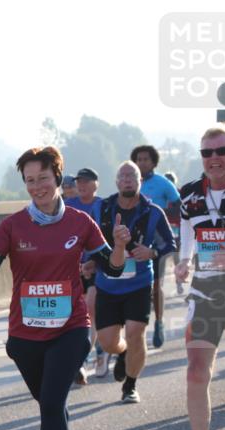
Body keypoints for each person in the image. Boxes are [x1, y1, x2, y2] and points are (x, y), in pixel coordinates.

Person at [0, 146, 129, 430]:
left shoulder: (79, 223)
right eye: (29, 180)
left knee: (53, 403)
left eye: (43, 178)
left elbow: (113, 268)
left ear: (58, 177)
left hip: (71, 327)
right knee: (49, 405)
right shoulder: (12, 226)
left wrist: (120, 245)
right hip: (24, 334)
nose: (37, 186)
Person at [173, 124, 225, 430]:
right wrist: (184, 262)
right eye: (206, 153)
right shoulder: (190, 196)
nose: (213, 159)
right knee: (196, 372)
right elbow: (189, 239)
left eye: (220, 150)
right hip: (207, 292)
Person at [93, 162, 175, 403]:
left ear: (140, 182)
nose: (128, 179)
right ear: (117, 182)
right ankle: (123, 352)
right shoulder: (102, 208)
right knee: (108, 342)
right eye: (123, 176)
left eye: (133, 176)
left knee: (135, 332)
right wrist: (88, 261)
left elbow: (169, 245)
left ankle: (130, 385)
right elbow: (89, 240)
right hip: (107, 284)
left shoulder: (153, 212)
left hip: (139, 283)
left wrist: (151, 253)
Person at [131, 145, 183, 348]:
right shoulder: (130, 183)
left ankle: (159, 322)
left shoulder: (163, 183)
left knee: (155, 285)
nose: (142, 162)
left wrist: (164, 218)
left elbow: (179, 205)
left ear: (153, 162)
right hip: (135, 241)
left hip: (157, 240)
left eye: (146, 159)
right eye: (138, 159)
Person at [65, 167, 105, 382]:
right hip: (72, 267)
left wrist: (96, 260)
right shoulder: (69, 206)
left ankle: (83, 359)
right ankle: (93, 349)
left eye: (87, 181)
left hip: (96, 266)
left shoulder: (103, 206)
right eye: (79, 181)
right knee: (72, 316)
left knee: (90, 308)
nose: (81, 185)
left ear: (96, 184)